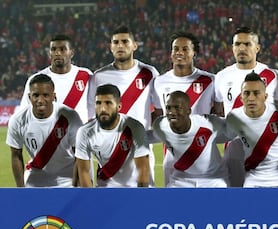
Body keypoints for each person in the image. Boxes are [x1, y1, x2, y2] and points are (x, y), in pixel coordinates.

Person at [89, 25, 162, 185]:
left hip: (140, 151)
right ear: (110, 47)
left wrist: (146, 134)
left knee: (143, 204)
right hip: (109, 153)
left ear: (134, 45)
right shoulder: (99, 76)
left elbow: (158, 111)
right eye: (115, 42)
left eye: (125, 41)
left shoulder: (149, 73)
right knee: (107, 206)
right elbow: (92, 117)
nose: (120, 46)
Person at [215, 26, 278, 187]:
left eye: (247, 44)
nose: (241, 48)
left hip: (266, 151)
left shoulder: (273, 76)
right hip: (234, 149)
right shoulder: (221, 77)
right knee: (236, 201)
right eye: (237, 44)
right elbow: (219, 111)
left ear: (257, 48)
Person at [153, 31, 224, 186]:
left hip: (205, 154)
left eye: (185, 49)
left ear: (194, 53)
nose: (179, 52)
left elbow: (219, 114)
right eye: (175, 48)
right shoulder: (159, 82)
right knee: (175, 207)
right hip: (173, 156)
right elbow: (158, 118)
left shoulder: (210, 80)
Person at [226, 72, 278, 187]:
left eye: (256, 93)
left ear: (265, 96)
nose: (251, 98)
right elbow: (219, 135)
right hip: (254, 183)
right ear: (241, 97)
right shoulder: (234, 117)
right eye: (247, 93)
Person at [6, 74, 82, 187]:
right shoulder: (18, 120)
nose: (40, 100)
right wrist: (20, 190)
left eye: (46, 95)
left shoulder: (70, 117)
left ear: (53, 97)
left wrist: (75, 187)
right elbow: (16, 155)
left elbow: (80, 155)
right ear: (29, 97)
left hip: (67, 179)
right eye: (36, 95)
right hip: (36, 178)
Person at [75, 84, 150, 187]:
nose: (103, 109)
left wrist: (140, 198)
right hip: (104, 190)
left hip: (132, 190)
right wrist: (90, 199)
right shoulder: (85, 132)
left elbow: (143, 169)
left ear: (119, 106)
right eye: (98, 103)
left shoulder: (135, 128)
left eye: (108, 103)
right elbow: (83, 172)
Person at [151, 90, 228, 187]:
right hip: (181, 179)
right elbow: (147, 137)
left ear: (189, 111)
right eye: (168, 108)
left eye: (177, 107)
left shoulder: (208, 123)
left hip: (212, 179)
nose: (172, 112)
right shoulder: (161, 126)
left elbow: (233, 132)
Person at [19, 34, 93, 124]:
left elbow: (94, 108)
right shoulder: (36, 80)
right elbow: (23, 114)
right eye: (53, 49)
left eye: (62, 49)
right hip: (49, 137)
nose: (57, 53)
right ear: (50, 53)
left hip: (79, 136)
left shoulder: (85, 75)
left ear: (71, 53)